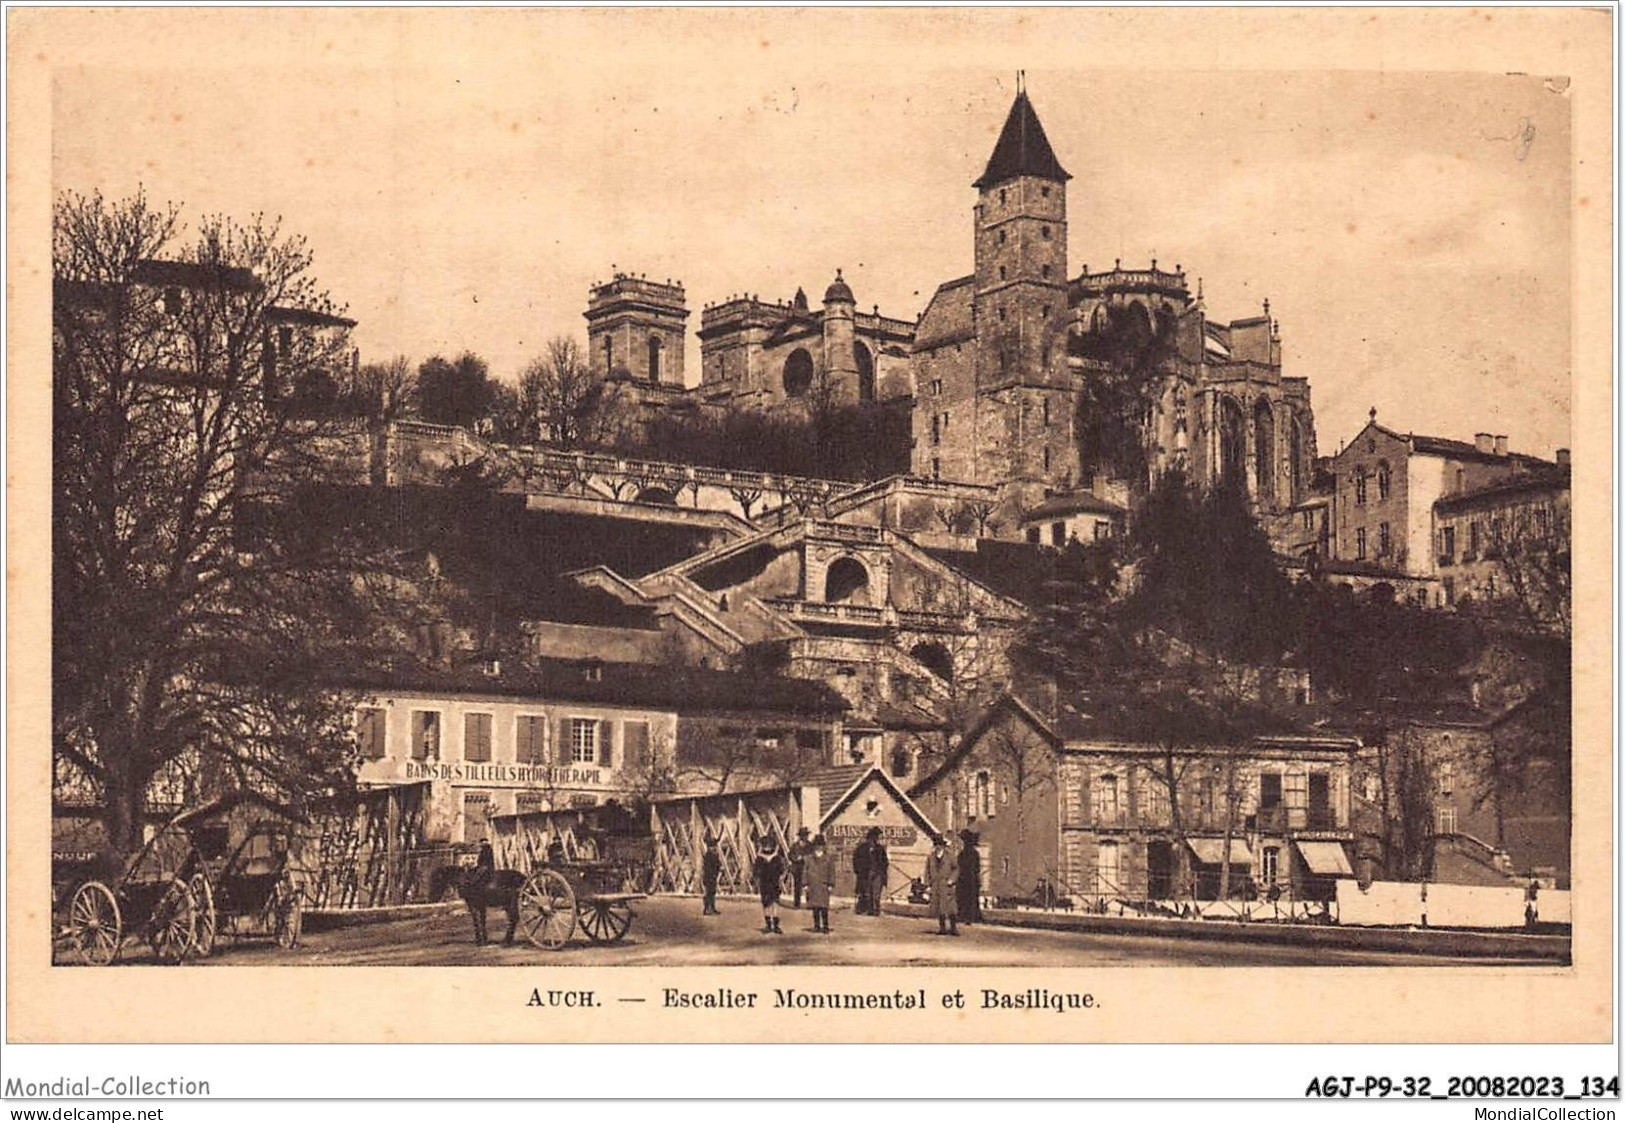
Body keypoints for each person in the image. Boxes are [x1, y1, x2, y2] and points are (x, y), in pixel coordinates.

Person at [924, 832, 960, 936]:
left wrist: (952, 880)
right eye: (936, 845)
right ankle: (942, 928)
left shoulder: (950, 855)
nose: (938, 847)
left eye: (940, 844)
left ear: (943, 845)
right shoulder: (931, 857)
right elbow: (927, 871)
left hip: (947, 884)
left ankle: (953, 928)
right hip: (936, 885)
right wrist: (927, 884)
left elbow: (956, 869)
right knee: (939, 907)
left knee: (951, 907)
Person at [802, 833, 835, 933]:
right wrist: (805, 884)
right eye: (817, 845)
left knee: (824, 907)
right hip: (813, 884)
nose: (819, 847)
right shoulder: (808, 858)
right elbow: (804, 872)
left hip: (823, 884)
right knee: (815, 907)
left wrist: (831, 884)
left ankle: (825, 926)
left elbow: (831, 872)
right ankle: (816, 925)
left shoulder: (828, 858)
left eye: (820, 845)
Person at [753, 836, 786, 934]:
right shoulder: (773, 858)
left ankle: (773, 925)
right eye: (766, 845)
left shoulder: (762, 858)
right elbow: (782, 870)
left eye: (768, 845)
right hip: (768, 882)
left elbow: (756, 871)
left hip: (770, 882)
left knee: (772, 903)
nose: (767, 847)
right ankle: (771, 925)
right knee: (769, 903)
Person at [956, 829, 982, 924]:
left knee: (965, 898)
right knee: (970, 898)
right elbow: (977, 869)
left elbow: (959, 866)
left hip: (966, 879)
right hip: (971, 879)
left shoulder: (963, 854)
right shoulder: (973, 854)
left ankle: (966, 916)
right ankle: (969, 916)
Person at [864, 826, 890, 918]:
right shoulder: (864, 849)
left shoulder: (880, 849)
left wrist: (881, 872)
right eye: (872, 838)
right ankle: (870, 909)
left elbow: (885, 862)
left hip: (878, 873)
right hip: (868, 873)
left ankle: (876, 910)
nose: (873, 840)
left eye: (875, 838)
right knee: (869, 892)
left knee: (876, 893)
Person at [787, 827, 813, 909]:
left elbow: (812, 855)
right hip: (797, 868)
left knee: (808, 886)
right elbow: (790, 855)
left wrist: (805, 858)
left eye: (806, 835)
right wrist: (796, 858)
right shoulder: (795, 846)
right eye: (803, 835)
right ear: (800, 836)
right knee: (797, 887)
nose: (805, 837)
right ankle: (796, 904)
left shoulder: (810, 845)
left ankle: (809, 904)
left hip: (807, 868)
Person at [852, 832, 874, 915]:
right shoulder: (861, 848)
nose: (872, 841)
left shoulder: (876, 848)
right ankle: (860, 908)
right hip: (863, 872)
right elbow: (855, 858)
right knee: (862, 890)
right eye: (871, 839)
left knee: (870, 891)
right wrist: (857, 869)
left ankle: (869, 908)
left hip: (871, 872)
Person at [700, 834, 721, 916]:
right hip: (709, 877)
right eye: (713, 846)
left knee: (712, 892)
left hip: (712, 876)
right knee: (708, 893)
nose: (715, 848)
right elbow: (708, 868)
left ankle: (712, 908)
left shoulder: (713, 854)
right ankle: (706, 909)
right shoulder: (708, 855)